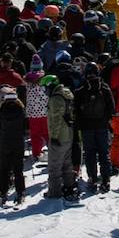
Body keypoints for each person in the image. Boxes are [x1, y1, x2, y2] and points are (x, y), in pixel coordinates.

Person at [75, 61, 115, 192]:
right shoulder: (104, 88)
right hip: (102, 126)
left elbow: (76, 110)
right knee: (104, 153)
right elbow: (112, 108)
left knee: (90, 154)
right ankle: (105, 180)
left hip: (87, 127)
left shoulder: (80, 90)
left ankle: (92, 179)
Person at [42, 70, 77, 200]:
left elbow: (56, 120)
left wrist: (54, 137)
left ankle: (54, 192)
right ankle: (69, 186)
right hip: (68, 134)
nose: (45, 91)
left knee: (54, 166)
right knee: (67, 163)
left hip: (59, 136)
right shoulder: (66, 93)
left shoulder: (56, 98)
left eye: (45, 88)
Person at [0, 86, 27, 206]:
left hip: (5, 142)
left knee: (4, 168)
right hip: (18, 142)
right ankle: (20, 192)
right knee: (18, 169)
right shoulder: (21, 110)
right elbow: (25, 127)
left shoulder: (1, 111)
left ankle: (2, 192)